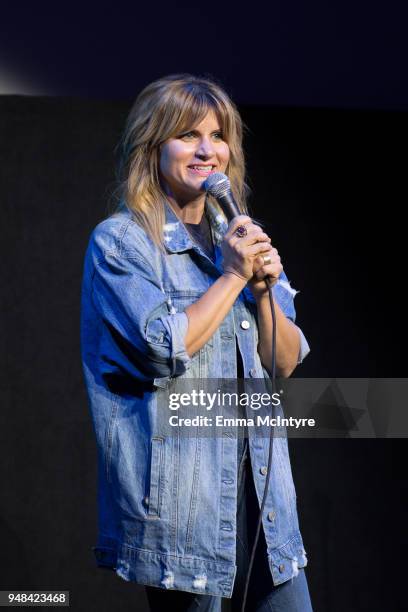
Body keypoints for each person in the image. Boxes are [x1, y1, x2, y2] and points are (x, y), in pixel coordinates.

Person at [80, 74, 313, 611]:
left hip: (268, 513)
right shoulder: (121, 243)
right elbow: (162, 349)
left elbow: (286, 362)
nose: (208, 150)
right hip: (184, 518)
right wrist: (231, 278)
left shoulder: (240, 236)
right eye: (188, 135)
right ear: (153, 145)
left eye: (218, 134)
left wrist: (263, 292)